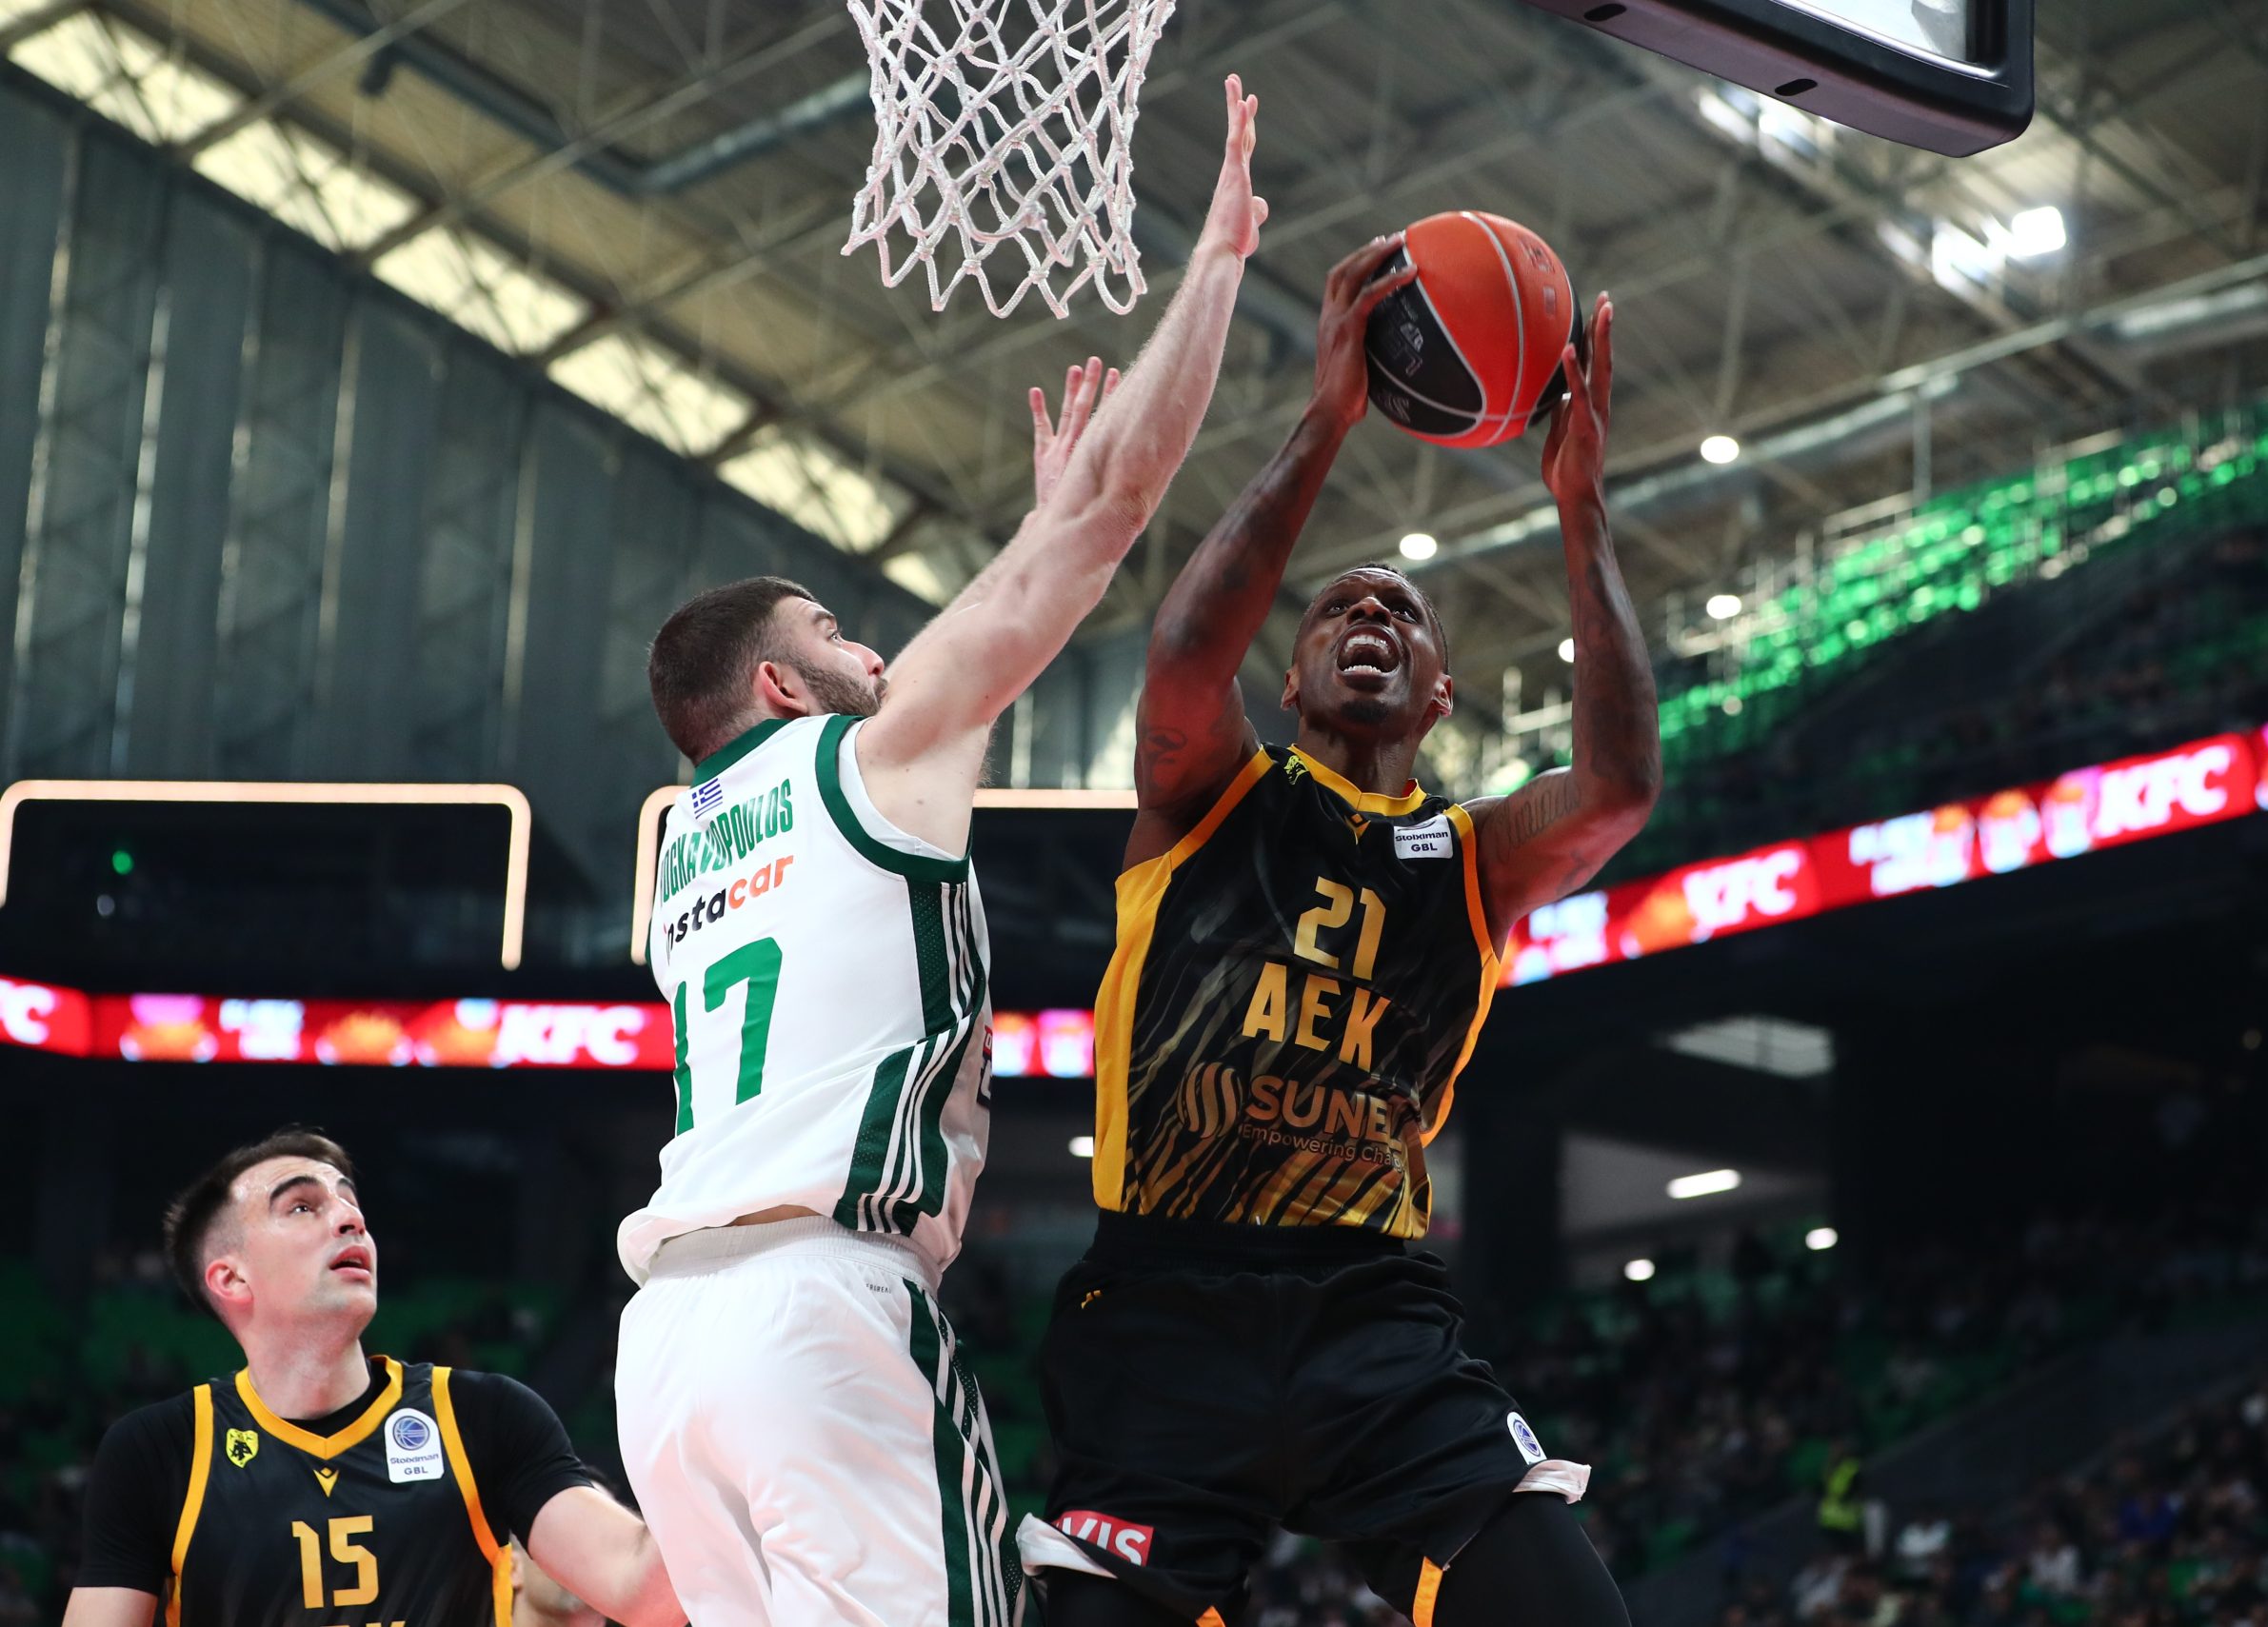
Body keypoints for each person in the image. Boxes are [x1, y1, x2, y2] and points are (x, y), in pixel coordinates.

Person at [611, 74, 1266, 1627]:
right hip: (819, 1308)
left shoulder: (689, 859)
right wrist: (1221, 260)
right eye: (832, 628)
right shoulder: (867, 753)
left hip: (666, 1355)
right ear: (781, 687)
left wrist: (1039, 552)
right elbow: (1115, 508)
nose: (869, 647)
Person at [1018, 239, 1657, 1626]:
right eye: (1339, 609)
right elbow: (1185, 656)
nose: (1371, 614)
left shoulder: (1474, 856)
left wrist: (1580, 507)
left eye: (1401, 612)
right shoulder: (1208, 792)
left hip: (1373, 1318)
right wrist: (1328, 417)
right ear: (1295, 680)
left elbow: (1617, 788)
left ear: (1438, 694)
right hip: (1164, 1303)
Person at [62, 1129, 680, 1627]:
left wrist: (717, 1418)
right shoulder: (159, 1451)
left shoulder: (484, 1415)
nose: (349, 1219)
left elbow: (640, 1591)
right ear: (232, 1278)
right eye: (302, 1206)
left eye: (349, 1201)